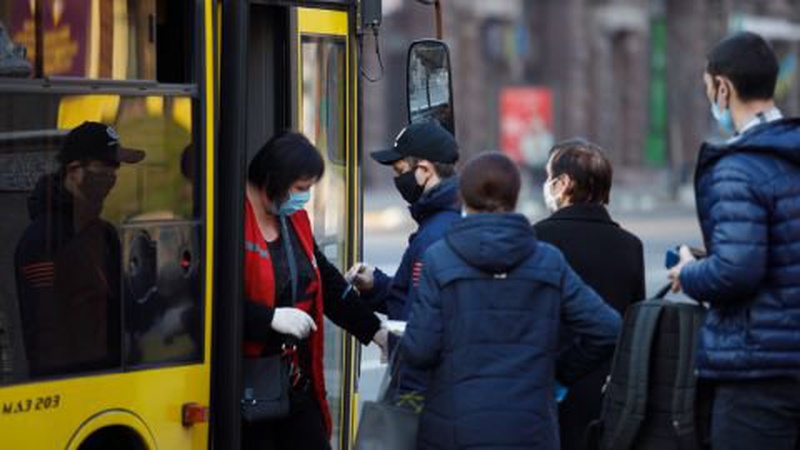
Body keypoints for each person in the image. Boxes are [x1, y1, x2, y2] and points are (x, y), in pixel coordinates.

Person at [402, 152, 622, 450]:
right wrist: (558, 372)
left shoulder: (439, 259)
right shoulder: (548, 260)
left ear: (463, 197)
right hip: (530, 429)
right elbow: (608, 328)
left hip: (454, 428)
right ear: (515, 196)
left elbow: (420, 351)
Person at [667, 32, 800, 450]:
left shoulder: (738, 167)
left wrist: (689, 272)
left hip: (759, 372)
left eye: (709, 89)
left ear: (722, 88)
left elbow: (737, 271)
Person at [242, 131, 388, 450]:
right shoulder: (229, 219)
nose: (304, 198)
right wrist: (267, 318)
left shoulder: (293, 220)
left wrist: (376, 332)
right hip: (244, 388)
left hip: (292, 379)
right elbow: (208, 301)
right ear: (274, 180)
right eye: (300, 189)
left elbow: (328, 285)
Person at [533, 138, 645, 450]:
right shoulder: (630, 245)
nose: (546, 185)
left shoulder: (538, 238)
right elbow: (634, 323)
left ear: (564, 184)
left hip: (552, 390)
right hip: (612, 394)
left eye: (548, 177)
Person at [15, 121, 144, 377]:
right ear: (74, 171)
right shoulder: (42, 239)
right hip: (73, 387)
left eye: (115, 170)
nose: (111, 179)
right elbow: (45, 335)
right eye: (103, 169)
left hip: (114, 379)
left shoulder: (104, 234)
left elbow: (115, 308)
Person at [346, 120, 460, 402]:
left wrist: (404, 398)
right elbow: (417, 298)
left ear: (424, 170)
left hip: (421, 390)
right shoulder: (445, 219)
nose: (397, 180)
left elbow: (418, 327)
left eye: (400, 171)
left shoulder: (433, 236)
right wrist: (376, 285)